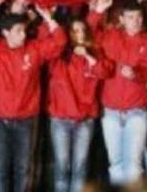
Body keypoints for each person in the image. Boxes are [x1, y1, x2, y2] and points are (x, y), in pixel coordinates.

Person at [0, 5, 65, 192]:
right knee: (1, 168)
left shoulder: (34, 49)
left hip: (25, 119)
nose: (23, 35)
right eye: (18, 31)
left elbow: (60, 42)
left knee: (23, 168)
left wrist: (48, 18)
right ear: (5, 33)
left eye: (24, 30)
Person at [88, 0, 147, 186]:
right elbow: (86, 35)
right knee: (115, 165)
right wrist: (98, 11)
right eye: (131, 17)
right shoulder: (111, 36)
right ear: (122, 19)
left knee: (134, 165)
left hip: (137, 110)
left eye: (139, 17)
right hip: (111, 110)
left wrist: (136, 74)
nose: (136, 21)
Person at [47, 16, 111, 192]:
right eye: (75, 31)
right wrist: (48, 18)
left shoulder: (95, 53)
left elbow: (105, 71)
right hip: (60, 118)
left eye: (83, 30)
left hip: (85, 120)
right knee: (61, 167)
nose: (80, 34)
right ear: (68, 34)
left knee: (80, 168)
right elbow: (48, 42)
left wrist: (88, 56)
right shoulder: (58, 57)